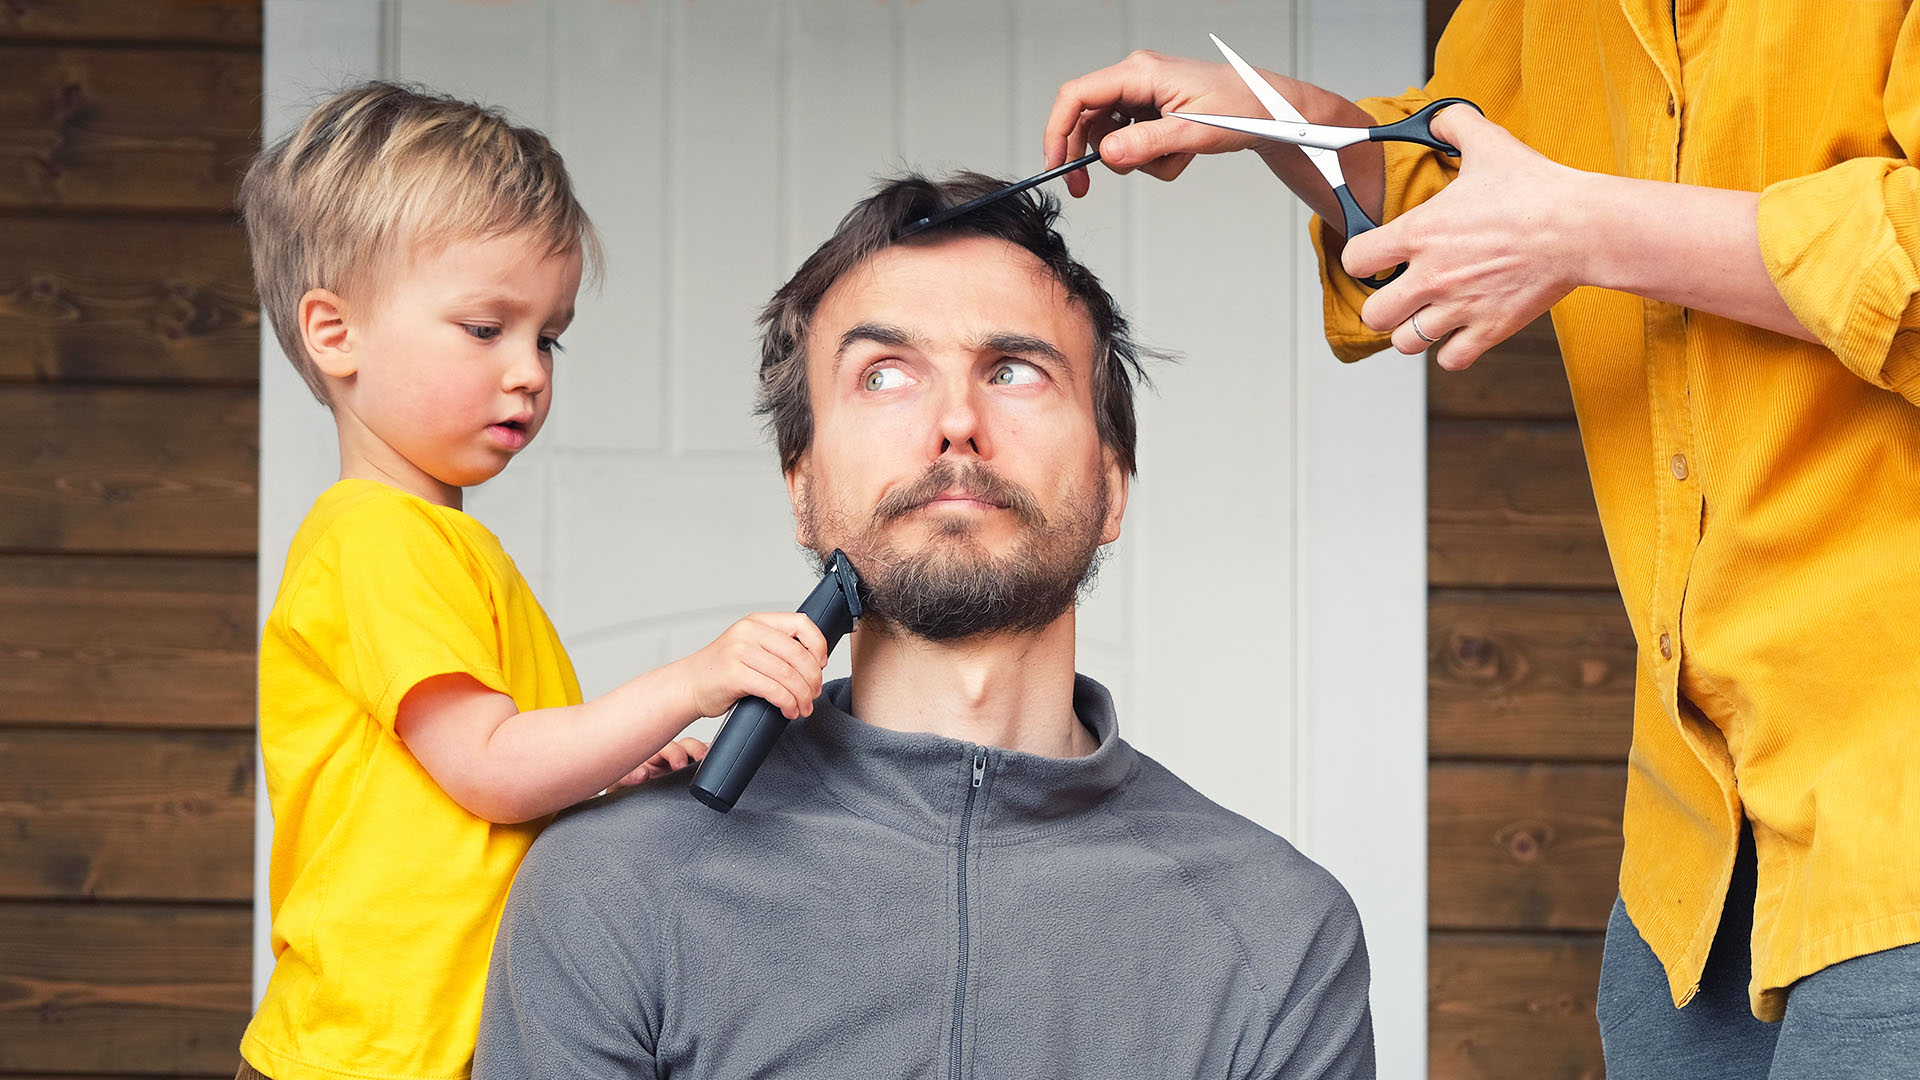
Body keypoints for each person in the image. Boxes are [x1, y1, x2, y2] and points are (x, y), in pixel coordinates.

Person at [1043, 4, 1920, 1075]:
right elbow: (1454, 183)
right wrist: (1283, 123)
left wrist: (1590, 229)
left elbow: (1561, 216)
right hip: (1693, 854)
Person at [473, 173, 1376, 1080]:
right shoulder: (610, 891)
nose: (955, 424)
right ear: (802, 487)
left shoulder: (1280, 938)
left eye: (1015, 370)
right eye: (885, 374)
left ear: (1114, 486)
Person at [236, 82, 832, 1080]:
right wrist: (690, 682)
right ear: (335, 333)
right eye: (485, 329)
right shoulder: (378, 541)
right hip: (370, 1058)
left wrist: (610, 767)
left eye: (547, 336)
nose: (530, 372)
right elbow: (495, 769)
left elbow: (468, 791)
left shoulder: (436, 545)